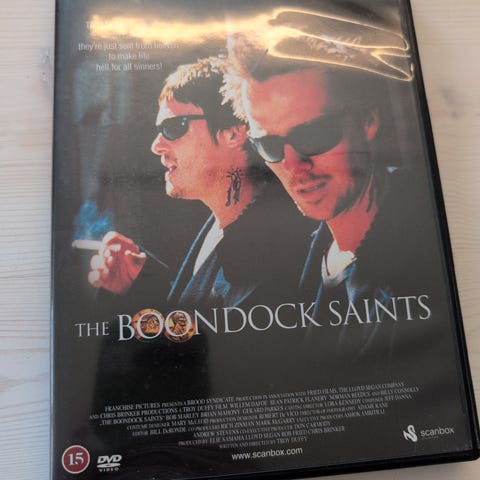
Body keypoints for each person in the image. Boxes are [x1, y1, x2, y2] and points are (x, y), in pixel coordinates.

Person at [87, 56, 311, 311]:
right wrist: (139, 281)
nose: (156, 146)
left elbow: (220, 328)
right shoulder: (221, 225)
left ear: (234, 133)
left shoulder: (281, 248)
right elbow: (197, 312)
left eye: (173, 127)